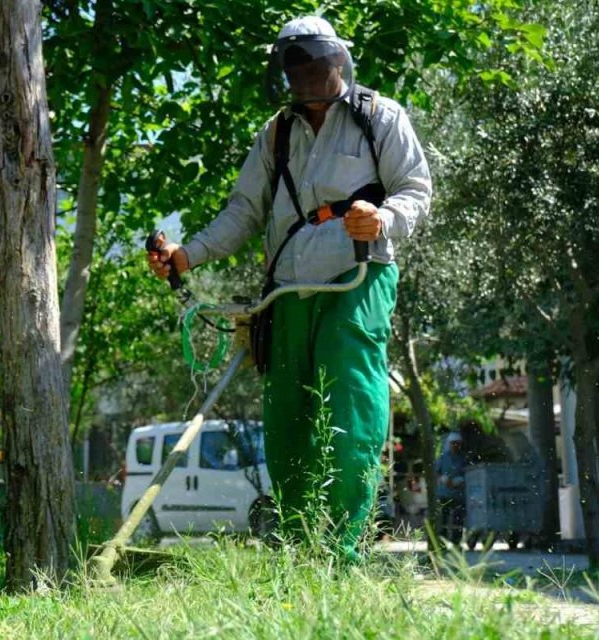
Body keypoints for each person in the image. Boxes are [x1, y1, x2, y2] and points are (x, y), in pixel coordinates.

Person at [146, 16, 431, 562]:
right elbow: (243, 212)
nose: (304, 75)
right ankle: (300, 550)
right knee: (286, 422)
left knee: (348, 413)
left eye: (313, 64)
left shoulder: (379, 116)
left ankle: (341, 551)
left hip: (357, 278)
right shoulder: (275, 133)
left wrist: (383, 218)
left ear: (338, 61)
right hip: (287, 291)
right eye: (293, 66)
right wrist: (186, 255)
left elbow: (415, 190)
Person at [435, 431, 469, 544]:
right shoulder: (443, 458)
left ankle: (456, 542)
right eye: (453, 443)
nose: (455, 445)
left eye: (457, 443)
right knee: (443, 518)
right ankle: (442, 541)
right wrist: (444, 479)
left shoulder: (463, 458)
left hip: (459, 494)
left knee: (458, 519)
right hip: (444, 493)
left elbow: (467, 473)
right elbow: (436, 472)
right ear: (449, 444)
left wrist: (460, 481)